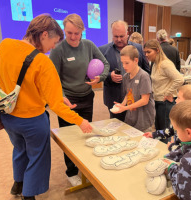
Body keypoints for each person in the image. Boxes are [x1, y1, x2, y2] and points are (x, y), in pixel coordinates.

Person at [0, 14, 92, 200]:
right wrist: (80, 121)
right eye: (54, 42)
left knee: (19, 149)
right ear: (44, 35)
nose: (53, 47)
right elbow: (56, 105)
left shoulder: (4, 45)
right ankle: (29, 195)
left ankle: (18, 184)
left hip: (7, 115)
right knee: (37, 157)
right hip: (32, 121)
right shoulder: (43, 62)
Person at [49, 13, 109, 187]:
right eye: (69, 33)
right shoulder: (58, 49)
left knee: (85, 134)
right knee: (70, 137)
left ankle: (84, 167)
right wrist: (62, 96)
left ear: (82, 31)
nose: (73, 37)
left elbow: (105, 64)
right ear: (64, 32)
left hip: (87, 98)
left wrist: (100, 78)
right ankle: (71, 172)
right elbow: (53, 78)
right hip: (68, 101)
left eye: (77, 33)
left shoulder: (89, 45)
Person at [99, 20, 150, 122]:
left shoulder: (138, 48)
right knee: (116, 125)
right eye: (116, 36)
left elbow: (147, 71)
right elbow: (99, 72)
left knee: (135, 126)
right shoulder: (102, 50)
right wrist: (109, 76)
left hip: (136, 96)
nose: (118, 39)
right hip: (114, 95)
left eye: (121, 36)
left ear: (127, 34)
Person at [144, 39, 184, 141]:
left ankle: (168, 154)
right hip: (158, 101)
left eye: (149, 52)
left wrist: (168, 92)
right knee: (159, 131)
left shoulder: (165, 64)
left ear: (157, 50)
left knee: (166, 134)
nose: (146, 55)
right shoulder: (154, 64)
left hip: (165, 103)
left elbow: (179, 79)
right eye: (145, 52)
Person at [143, 84, 191, 151]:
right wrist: (154, 134)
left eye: (178, 98)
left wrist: (172, 147)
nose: (175, 100)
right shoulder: (181, 115)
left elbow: (189, 150)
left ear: (188, 102)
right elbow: (171, 130)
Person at [112, 45, 154, 132]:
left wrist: (125, 108)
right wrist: (122, 105)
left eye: (127, 63)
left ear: (136, 60)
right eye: (122, 63)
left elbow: (144, 100)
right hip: (131, 117)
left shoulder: (144, 76)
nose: (123, 66)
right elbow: (128, 94)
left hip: (143, 119)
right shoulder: (126, 76)